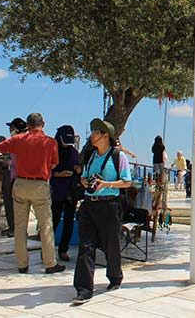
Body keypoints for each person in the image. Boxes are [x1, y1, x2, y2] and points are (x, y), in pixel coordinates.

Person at [0, 113, 65, 275]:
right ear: (43, 123)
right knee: (46, 226)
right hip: (40, 184)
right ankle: (50, 263)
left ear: (28, 125)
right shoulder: (50, 142)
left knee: (20, 226)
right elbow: (54, 164)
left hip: (20, 183)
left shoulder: (19, 139)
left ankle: (22, 263)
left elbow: (0, 148)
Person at [72, 118, 132, 305]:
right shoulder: (91, 156)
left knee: (111, 245)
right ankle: (83, 288)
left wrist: (106, 184)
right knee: (86, 246)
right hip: (90, 204)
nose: (92, 135)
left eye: (95, 132)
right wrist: (87, 182)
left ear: (105, 136)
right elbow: (83, 178)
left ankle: (115, 277)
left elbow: (127, 182)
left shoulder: (118, 156)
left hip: (109, 205)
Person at [51, 125, 80, 262]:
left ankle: (63, 249)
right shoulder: (52, 150)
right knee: (53, 221)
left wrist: (78, 170)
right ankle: (48, 249)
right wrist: (57, 174)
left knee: (69, 222)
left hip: (70, 192)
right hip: (56, 191)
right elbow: (45, 170)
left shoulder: (73, 152)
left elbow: (78, 169)